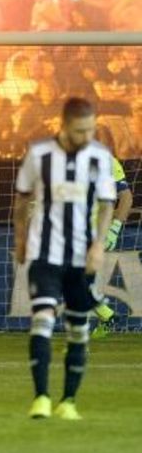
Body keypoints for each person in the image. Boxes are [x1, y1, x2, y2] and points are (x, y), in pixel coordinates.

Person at [13, 98, 116, 420]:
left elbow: (108, 202)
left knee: (78, 330)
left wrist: (99, 245)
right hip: (45, 254)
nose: (87, 136)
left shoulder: (99, 157)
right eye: (79, 130)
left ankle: (68, 401)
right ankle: (41, 398)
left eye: (91, 129)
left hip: (80, 257)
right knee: (42, 320)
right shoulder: (39, 155)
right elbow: (22, 199)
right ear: (64, 125)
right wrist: (20, 238)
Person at [90, 125, 134, 338]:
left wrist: (114, 229)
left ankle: (105, 317)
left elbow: (125, 197)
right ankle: (106, 316)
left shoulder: (109, 163)